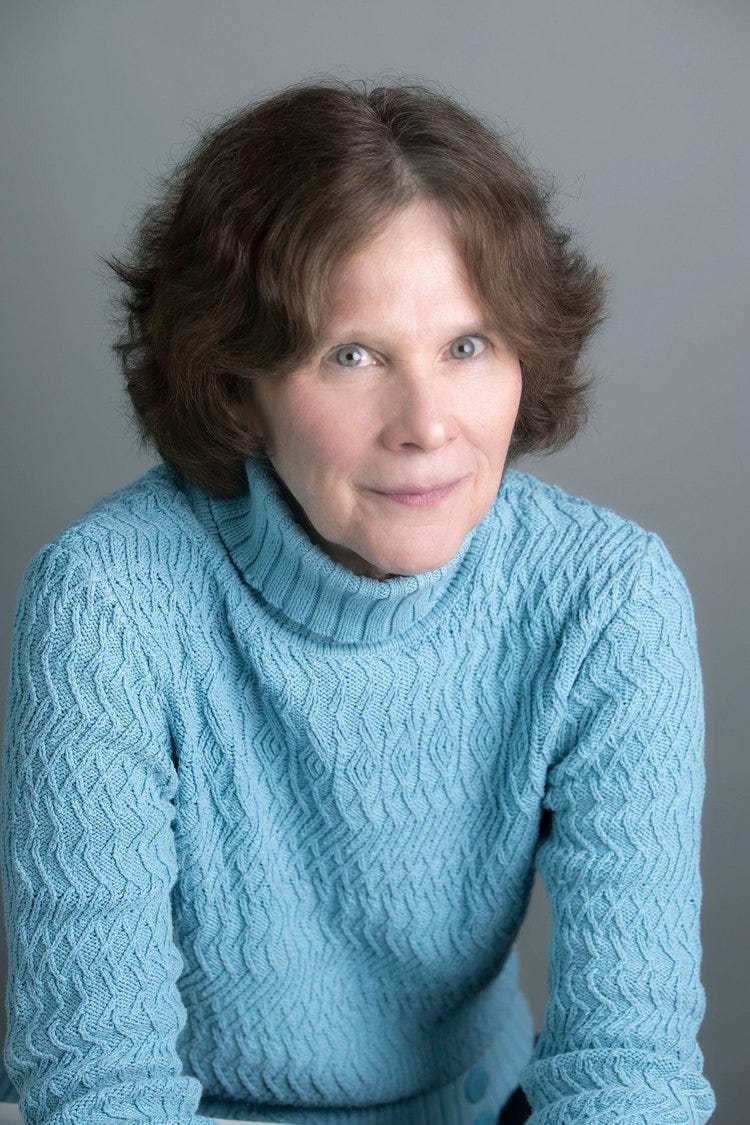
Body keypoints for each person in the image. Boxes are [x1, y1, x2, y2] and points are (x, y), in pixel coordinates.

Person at [0, 77, 716, 1124]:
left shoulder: (606, 598)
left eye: (467, 347)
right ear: (237, 377)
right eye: (353, 356)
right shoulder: (106, 603)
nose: (427, 424)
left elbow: (632, 1065)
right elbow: (98, 1080)